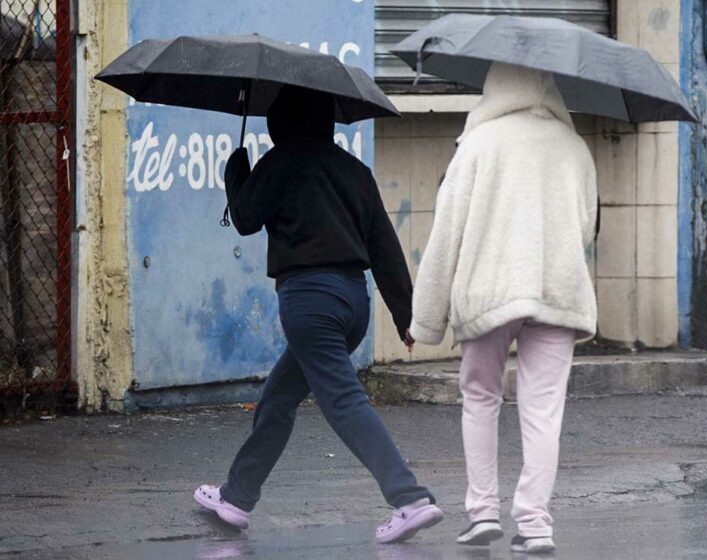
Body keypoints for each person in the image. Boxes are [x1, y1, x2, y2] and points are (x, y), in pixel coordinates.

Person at [194, 86, 442, 544]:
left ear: (281, 121)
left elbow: (246, 217)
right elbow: (385, 248)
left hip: (309, 300)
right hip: (353, 303)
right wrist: (406, 316)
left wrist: (236, 172)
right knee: (278, 399)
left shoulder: (281, 162)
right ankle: (235, 498)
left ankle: (409, 498)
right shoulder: (354, 171)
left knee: (343, 401)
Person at [410, 63, 597, 555]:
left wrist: (425, 320)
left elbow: (447, 232)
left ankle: (483, 513)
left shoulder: (478, 144)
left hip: (490, 291)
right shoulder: (575, 147)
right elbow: (585, 227)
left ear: (494, 85)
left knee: (480, 397)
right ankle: (536, 524)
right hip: (558, 292)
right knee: (543, 410)